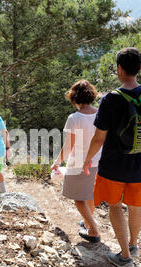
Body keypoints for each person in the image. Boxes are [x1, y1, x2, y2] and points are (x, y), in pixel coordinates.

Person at [83, 47, 141, 267]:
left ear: (119, 69)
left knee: (115, 206)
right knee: (135, 206)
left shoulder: (110, 99)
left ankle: (124, 257)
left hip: (113, 166)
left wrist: (87, 159)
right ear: (139, 68)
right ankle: (132, 246)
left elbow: (98, 138)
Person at [51, 80, 102, 243]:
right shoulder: (100, 113)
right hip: (97, 161)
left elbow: (68, 146)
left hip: (79, 163)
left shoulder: (74, 118)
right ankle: (87, 222)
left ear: (74, 98)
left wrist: (57, 162)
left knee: (78, 198)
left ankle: (93, 230)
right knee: (89, 194)